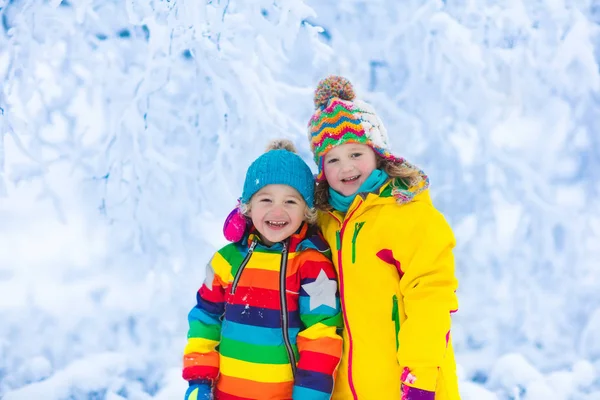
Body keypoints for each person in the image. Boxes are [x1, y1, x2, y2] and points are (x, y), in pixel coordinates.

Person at [306, 76, 460, 400]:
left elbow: (431, 298)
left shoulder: (408, 214)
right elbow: (277, 226)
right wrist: (247, 214)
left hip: (409, 387)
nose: (346, 167)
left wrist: (420, 376)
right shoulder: (323, 222)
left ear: (378, 153)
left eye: (356, 153)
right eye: (332, 159)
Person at [182, 139, 343, 400]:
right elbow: (204, 321)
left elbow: (321, 338)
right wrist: (199, 380)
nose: (277, 210)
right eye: (266, 199)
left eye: (291, 201)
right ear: (248, 206)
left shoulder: (311, 265)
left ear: (307, 210)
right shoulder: (226, 261)